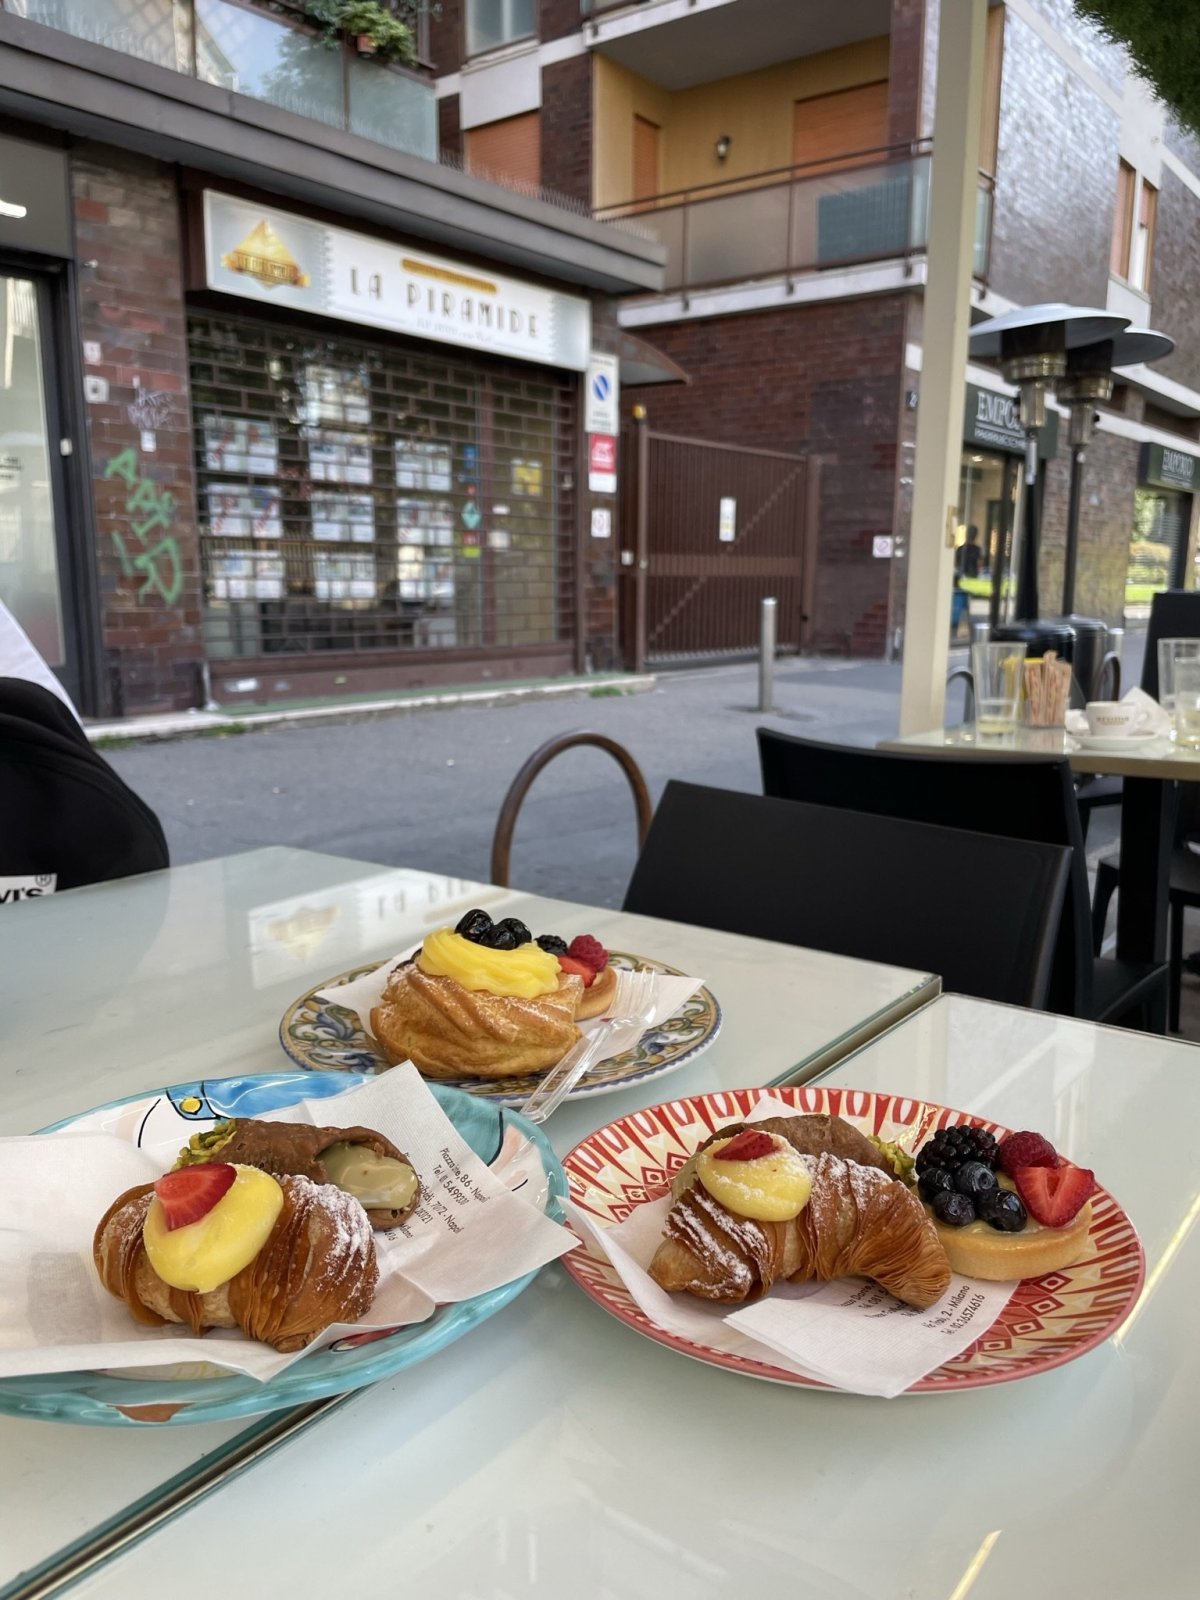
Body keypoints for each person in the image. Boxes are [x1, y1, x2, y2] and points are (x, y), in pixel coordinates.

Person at [951, 525, 981, 639]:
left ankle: (957, 627)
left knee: (959, 603)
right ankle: (968, 628)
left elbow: (956, 563)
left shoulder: (961, 549)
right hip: (972, 580)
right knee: (968, 605)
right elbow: (979, 564)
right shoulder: (976, 550)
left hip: (961, 579)